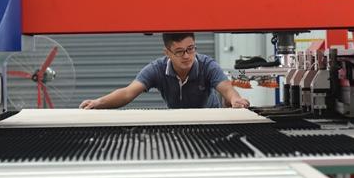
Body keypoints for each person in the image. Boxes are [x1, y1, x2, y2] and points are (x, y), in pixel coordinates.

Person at [79, 32, 250, 109]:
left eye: (190, 49)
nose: (187, 56)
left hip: (210, 122)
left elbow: (226, 88)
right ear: (167, 53)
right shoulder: (157, 69)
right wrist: (98, 102)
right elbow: (127, 93)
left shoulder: (207, 65)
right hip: (177, 124)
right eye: (179, 51)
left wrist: (235, 99)